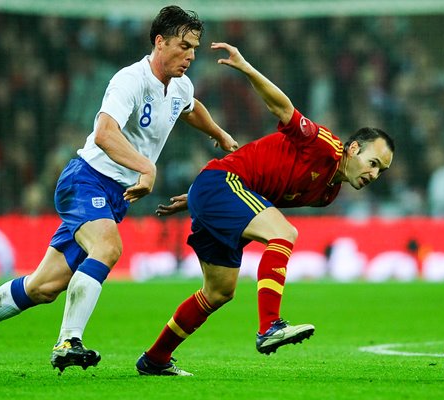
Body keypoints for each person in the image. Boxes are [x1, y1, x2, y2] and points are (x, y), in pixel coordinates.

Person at [0, 5, 238, 375]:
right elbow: (106, 134)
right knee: (109, 248)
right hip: (86, 179)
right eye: (183, 45)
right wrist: (146, 165)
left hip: (113, 195)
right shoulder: (130, 80)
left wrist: (218, 133)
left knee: (44, 286)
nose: (191, 55)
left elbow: (189, 108)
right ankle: (68, 341)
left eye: (195, 48)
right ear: (160, 42)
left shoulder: (181, 86)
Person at [135, 42, 394, 376]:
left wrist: (200, 198)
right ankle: (269, 326)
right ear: (354, 148)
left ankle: (155, 359)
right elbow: (283, 109)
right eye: (372, 163)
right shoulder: (326, 146)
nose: (373, 175)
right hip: (222, 183)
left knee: (218, 292)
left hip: (219, 193)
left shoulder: (327, 193)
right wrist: (247, 68)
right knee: (284, 233)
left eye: (381, 172)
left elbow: (265, 178)